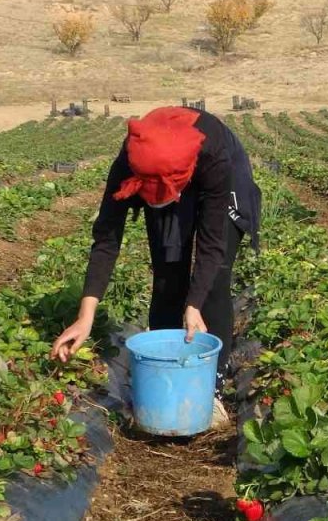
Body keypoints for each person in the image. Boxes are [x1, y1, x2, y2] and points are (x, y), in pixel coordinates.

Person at [50, 107, 260, 395]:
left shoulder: (214, 156)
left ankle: (212, 384)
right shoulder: (132, 160)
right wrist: (85, 317)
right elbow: (107, 238)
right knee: (168, 273)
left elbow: (212, 245)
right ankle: (167, 375)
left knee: (214, 282)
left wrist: (194, 304)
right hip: (162, 170)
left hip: (217, 173)